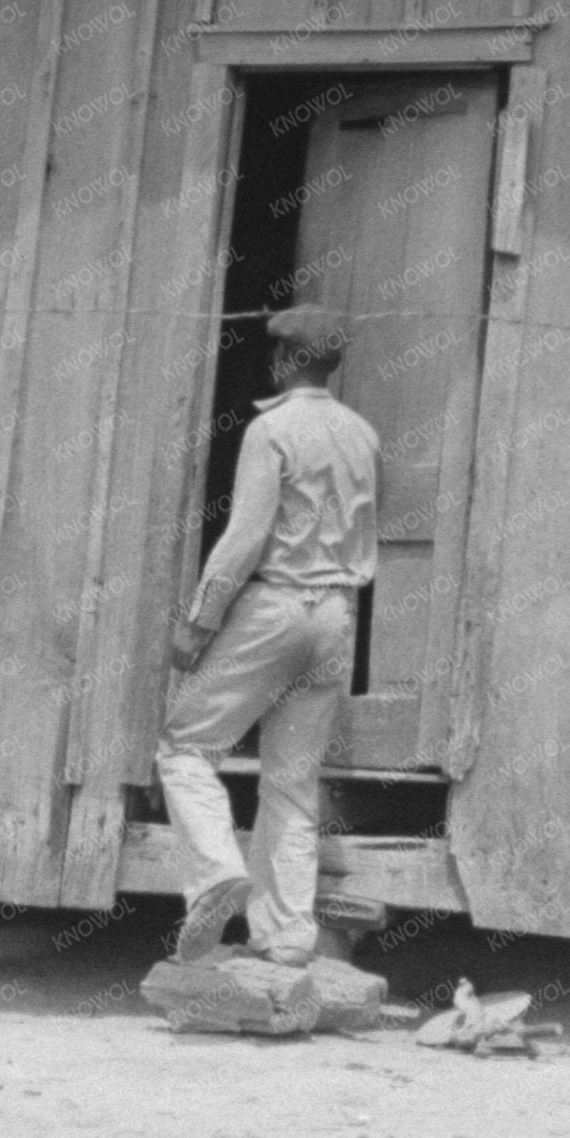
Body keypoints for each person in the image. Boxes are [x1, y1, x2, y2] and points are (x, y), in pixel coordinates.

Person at [156, 305, 378, 965]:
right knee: (291, 780)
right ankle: (286, 937)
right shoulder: (361, 433)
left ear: (285, 362)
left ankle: (217, 871)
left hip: (276, 605)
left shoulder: (271, 428)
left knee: (186, 748)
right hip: (337, 613)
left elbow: (245, 537)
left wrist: (200, 619)